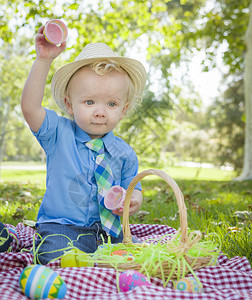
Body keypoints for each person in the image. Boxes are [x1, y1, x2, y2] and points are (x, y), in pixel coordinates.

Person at [21, 25, 147, 265]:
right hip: (63, 228)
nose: (100, 112)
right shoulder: (58, 133)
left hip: (109, 232)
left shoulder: (125, 153)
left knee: (129, 262)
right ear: (70, 105)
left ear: (124, 110)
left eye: (111, 104)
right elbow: (30, 108)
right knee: (55, 258)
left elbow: (133, 189)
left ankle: (98, 265)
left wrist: (134, 201)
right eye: (89, 102)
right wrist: (43, 60)